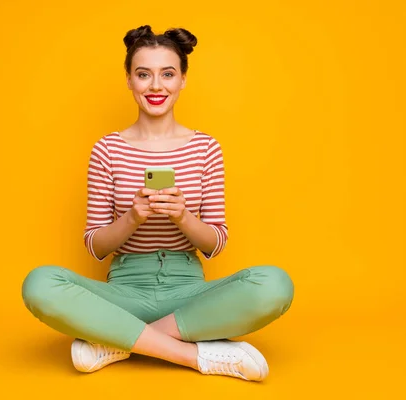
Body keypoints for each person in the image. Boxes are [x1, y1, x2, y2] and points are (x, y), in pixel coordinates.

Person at [21, 25, 294, 382]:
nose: (155, 86)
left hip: (191, 296)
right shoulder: (108, 149)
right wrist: (132, 217)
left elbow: (216, 243)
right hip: (123, 292)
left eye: (167, 74)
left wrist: (183, 216)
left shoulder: (205, 148)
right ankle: (193, 355)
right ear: (129, 81)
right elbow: (95, 246)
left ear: (182, 80)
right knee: (39, 284)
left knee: (274, 284)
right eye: (143, 74)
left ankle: (118, 339)